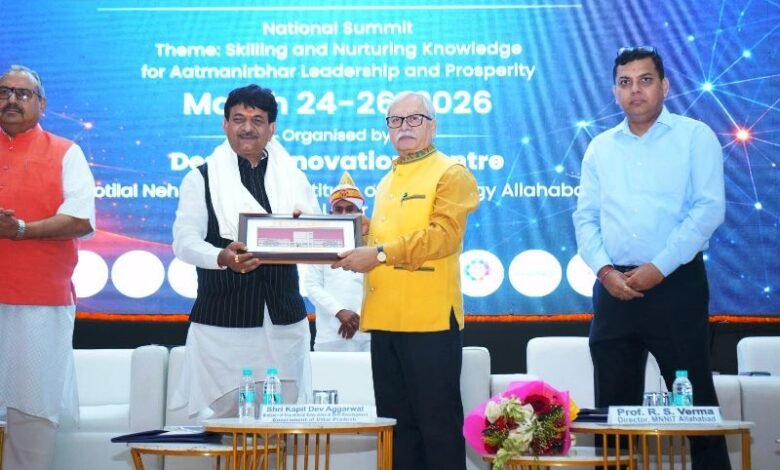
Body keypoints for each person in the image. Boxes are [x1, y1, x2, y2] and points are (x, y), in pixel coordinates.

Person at [573, 47, 730, 469]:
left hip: (675, 285)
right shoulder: (600, 148)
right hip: (614, 289)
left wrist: (659, 267)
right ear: (614, 91)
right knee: (613, 411)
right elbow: (585, 218)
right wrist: (605, 271)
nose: (635, 90)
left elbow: (708, 210)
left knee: (695, 403)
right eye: (625, 83)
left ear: (665, 85)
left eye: (645, 80)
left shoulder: (694, 137)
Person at [333, 91, 479, 470]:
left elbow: (442, 237)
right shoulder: (387, 180)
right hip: (385, 320)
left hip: (428, 321)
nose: (404, 127)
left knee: (438, 430)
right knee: (397, 433)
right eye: (395, 120)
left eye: (414, 118)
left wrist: (379, 254)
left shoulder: (451, 173)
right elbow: (382, 239)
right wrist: (336, 234)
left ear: (433, 125)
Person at [171, 84, 319, 419]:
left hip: (284, 320)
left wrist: (304, 230)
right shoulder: (201, 179)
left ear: (272, 128)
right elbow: (184, 242)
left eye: (257, 120)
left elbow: (315, 231)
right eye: (238, 119)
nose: (247, 128)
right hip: (224, 322)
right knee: (228, 427)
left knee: (282, 425)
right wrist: (221, 257)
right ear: (225, 124)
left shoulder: (292, 176)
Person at [0, 65, 96, 470]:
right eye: (4, 91)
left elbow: (80, 219)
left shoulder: (65, 152)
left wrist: (20, 230)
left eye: (23, 94)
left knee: (32, 414)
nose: (11, 100)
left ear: (42, 104)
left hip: (40, 305)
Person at [304, 172, 371, 352]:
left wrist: (359, 316)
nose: (344, 214)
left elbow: (379, 286)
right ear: (331, 213)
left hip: (367, 332)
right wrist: (340, 312)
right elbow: (312, 285)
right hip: (330, 334)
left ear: (360, 212)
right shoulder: (320, 243)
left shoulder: (373, 244)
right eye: (339, 209)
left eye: (350, 209)